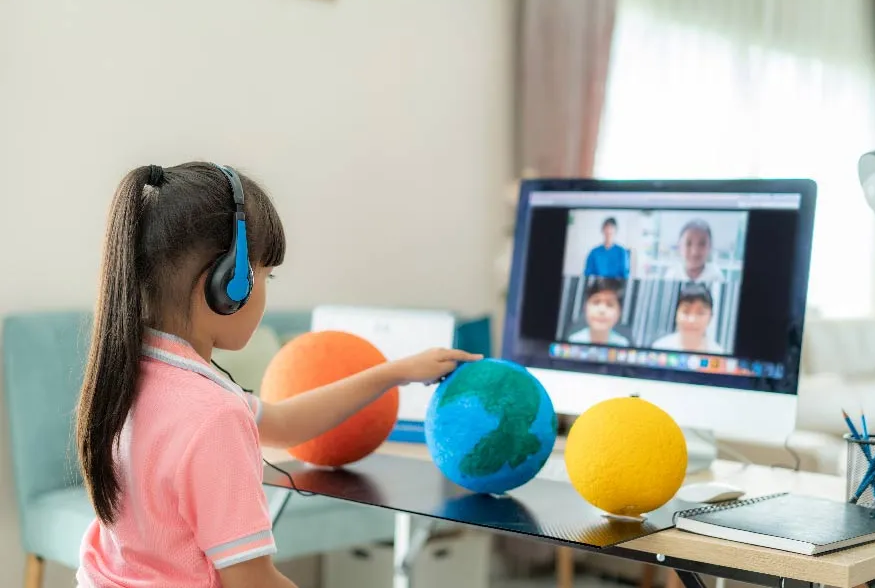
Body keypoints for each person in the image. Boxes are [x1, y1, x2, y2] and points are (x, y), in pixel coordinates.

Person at [74, 162, 481, 588]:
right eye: (267, 275)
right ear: (229, 285)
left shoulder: (132, 376)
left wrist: (394, 373)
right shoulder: (213, 416)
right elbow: (250, 580)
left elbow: (285, 425)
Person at [652, 283, 724, 354]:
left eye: (700, 313)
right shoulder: (659, 348)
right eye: (686, 312)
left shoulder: (718, 353)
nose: (691, 320)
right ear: (676, 314)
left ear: (710, 317)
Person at [567, 277, 630, 346]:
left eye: (610, 304)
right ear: (585, 307)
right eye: (596, 302)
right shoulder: (573, 340)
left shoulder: (623, 344)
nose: (602, 310)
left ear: (619, 312)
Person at [664, 218, 725, 283]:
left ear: (710, 247)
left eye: (702, 244)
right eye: (688, 243)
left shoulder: (716, 276)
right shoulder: (673, 274)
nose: (694, 251)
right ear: (680, 246)